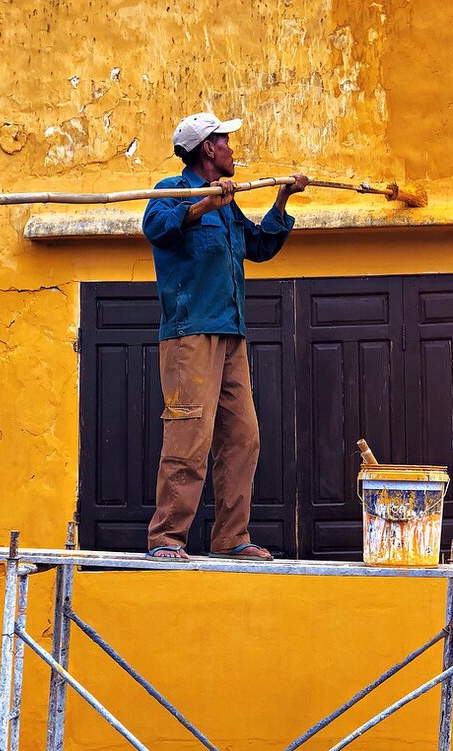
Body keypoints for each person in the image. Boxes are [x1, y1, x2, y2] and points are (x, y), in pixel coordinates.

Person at [142, 112, 308, 560]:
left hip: (231, 333)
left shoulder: (229, 202)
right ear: (208, 149)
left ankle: (232, 538)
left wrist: (281, 202)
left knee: (243, 436)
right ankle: (166, 538)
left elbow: (258, 246)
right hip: (189, 333)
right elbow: (156, 228)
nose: (233, 148)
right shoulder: (171, 192)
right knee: (189, 433)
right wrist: (202, 207)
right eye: (226, 141)